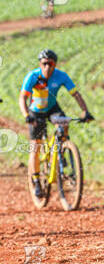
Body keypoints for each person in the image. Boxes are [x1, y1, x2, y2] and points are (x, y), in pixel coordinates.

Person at [19, 49, 94, 198]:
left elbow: (75, 94)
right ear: (40, 64)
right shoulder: (32, 76)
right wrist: (27, 115)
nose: (47, 67)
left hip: (52, 108)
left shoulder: (61, 76)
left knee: (65, 123)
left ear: (55, 65)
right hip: (35, 112)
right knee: (37, 146)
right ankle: (36, 180)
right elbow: (23, 99)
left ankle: (63, 148)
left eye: (50, 64)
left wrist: (85, 111)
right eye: (44, 64)